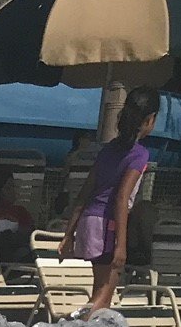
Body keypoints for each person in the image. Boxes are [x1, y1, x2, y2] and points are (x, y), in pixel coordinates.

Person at [59, 87, 160, 313]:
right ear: (150, 119)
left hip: (89, 221)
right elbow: (122, 198)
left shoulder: (108, 150)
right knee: (103, 296)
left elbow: (85, 191)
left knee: (102, 294)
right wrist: (121, 245)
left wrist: (69, 233)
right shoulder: (139, 154)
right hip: (107, 226)